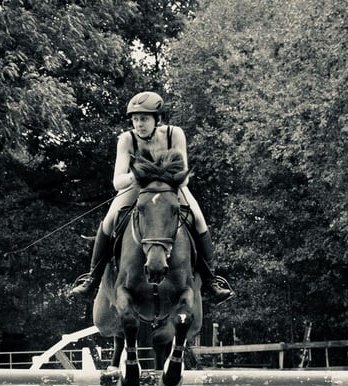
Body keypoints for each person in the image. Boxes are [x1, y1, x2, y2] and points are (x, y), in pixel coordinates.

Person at [68, 91, 234, 305]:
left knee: (198, 218)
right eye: (135, 119)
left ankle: (212, 282)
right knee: (109, 220)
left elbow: (182, 178)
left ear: (158, 119)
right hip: (138, 188)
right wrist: (138, 175)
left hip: (171, 189)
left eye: (144, 118)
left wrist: (157, 175)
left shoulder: (175, 134)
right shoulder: (126, 140)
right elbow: (117, 182)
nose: (139, 124)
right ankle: (92, 279)